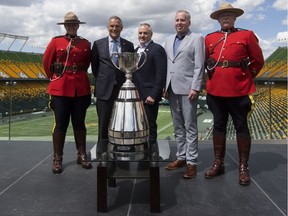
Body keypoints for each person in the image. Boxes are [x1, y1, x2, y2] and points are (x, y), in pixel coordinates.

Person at [204, 3, 264, 185]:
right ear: (218, 19)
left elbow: (258, 61)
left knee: (241, 127)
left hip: (239, 90)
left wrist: (245, 76)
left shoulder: (246, 35)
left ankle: (243, 167)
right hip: (215, 90)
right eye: (222, 16)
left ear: (235, 18)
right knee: (218, 126)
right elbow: (207, 61)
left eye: (229, 15)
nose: (226, 18)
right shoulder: (210, 38)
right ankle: (218, 163)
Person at [43, 11, 92, 174]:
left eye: (74, 24)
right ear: (65, 26)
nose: (71, 26)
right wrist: (55, 78)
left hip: (80, 89)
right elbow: (46, 63)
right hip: (60, 89)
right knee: (60, 125)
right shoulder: (56, 42)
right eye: (68, 24)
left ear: (78, 25)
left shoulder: (86, 43)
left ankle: (82, 154)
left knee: (79, 123)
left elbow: (86, 64)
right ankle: (57, 158)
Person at [164, 10, 205, 179]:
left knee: (190, 127)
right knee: (178, 126)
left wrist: (195, 87)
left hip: (189, 89)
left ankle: (192, 162)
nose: (179, 22)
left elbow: (199, 65)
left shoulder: (196, 38)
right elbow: (168, 65)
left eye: (182, 20)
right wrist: (164, 86)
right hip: (171, 89)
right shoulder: (168, 40)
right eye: (177, 20)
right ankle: (181, 157)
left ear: (189, 22)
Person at [91, 16, 134, 148]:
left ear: (122, 28)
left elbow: (130, 68)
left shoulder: (129, 45)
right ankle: (103, 150)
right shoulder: (98, 44)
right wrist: (105, 80)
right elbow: (95, 67)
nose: (114, 28)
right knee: (103, 123)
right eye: (112, 26)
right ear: (108, 27)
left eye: (117, 26)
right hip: (104, 91)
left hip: (122, 90)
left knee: (123, 122)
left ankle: (120, 147)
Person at [133, 23, 167, 144]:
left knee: (150, 126)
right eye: (140, 33)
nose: (142, 35)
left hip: (149, 96)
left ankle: (152, 153)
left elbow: (160, 74)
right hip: (136, 96)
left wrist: (153, 94)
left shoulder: (157, 49)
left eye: (145, 33)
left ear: (151, 35)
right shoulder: (135, 50)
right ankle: (141, 150)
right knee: (138, 125)